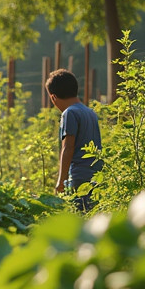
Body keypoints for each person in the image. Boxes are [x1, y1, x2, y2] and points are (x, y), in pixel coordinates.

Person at [46, 68, 103, 212]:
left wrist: (61, 181)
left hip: (79, 176)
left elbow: (68, 147)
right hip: (97, 173)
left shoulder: (69, 113)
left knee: (80, 216)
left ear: (53, 97)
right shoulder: (89, 112)